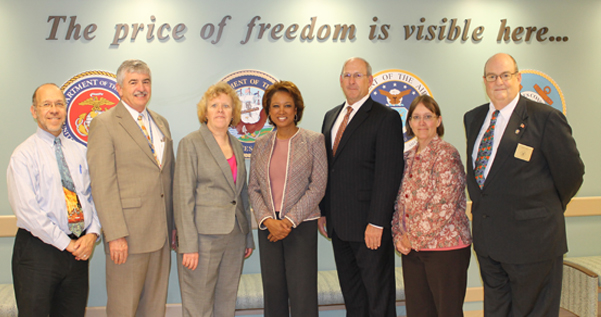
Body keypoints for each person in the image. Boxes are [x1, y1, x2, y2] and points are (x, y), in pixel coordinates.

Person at [464, 53, 584, 316]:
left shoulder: (545, 118)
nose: (499, 82)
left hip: (534, 242)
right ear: (484, 81)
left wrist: (543, 211)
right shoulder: (473, 119)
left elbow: (572, 173)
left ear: (518, 79)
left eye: (505, 75)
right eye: (492, 77)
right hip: (489, 243)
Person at [87, 59, 175, 316]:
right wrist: (115, 235)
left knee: (154, 308)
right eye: (133, 82)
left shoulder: (161, 122)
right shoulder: (104, 124)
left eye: (146, 82)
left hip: (160, 236)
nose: (141, 87)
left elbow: (167, 176)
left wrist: (173, 226)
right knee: (124, 309)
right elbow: (103, 184)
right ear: (119, 88)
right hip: (127, 238)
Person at [319, 57, 404, 317]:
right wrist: (324, 212)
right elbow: (327, 169)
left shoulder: (385, 117)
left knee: (378, 298)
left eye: (358, 75)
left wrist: (377, 222)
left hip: (369, 227)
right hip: (338, 225)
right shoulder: (331, 116)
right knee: (354, 298)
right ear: (340, 80)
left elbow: (388, 174)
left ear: (370, 80)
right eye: (347, 75)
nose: (352, 81)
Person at [7, 83, 101, 316]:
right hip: (38, 252)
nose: (54, 110)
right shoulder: (23, 155)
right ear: (34, 111)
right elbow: (28, 212)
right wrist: (66, 244)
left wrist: (92, 234)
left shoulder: (79, 151)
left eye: (59, 104)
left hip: (77, 253)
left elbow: (94, 197)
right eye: (46, 104)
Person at [174, 82, 254, 317]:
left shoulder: (237, 145)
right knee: (198, 305)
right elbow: (183, 197)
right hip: (202, 239)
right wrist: (188, 244)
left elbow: (242, 194)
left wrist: (248, 236)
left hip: (235, 237)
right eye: (215, 105)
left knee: (226, 303)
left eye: (226, 106)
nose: (220, 110)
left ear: (233, 113)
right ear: (205, 111)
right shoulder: (190, 143)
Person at [248, 81, 327, 317]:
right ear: (268, 111)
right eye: (275, 106)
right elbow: (253, 187)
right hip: (268, 228)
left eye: (287, 106)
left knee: (302, 296)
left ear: (296, 110)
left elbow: (318, 186)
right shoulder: (261, 144)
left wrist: (289, 221)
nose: (281, 111)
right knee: (273, 295)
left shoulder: (314, 140)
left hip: (301, 227)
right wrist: (268, 220)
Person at [392, 95, 472, 317]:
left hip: (446, 249)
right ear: (409, 123)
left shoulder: (446, 153)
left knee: (447, 312)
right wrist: (399, 235)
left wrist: (411, 236)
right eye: (416, 117)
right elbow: (400, 202)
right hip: (413, 250)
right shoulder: (407, 157)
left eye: (428, 116)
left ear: (438, 121)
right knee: (418, 312)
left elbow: (444, 204)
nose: (422, 123)